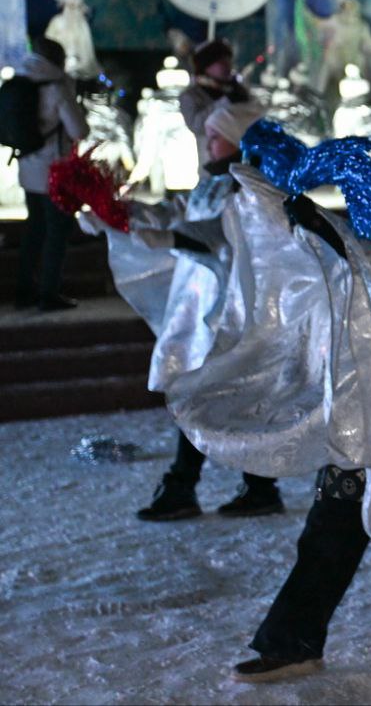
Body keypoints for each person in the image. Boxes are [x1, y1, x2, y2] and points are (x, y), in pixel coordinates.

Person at [147, 121, 371, 683]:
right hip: (354, 430)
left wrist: (320, 224)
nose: (366, 208)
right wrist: (289, 214)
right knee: (328, 535)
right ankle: (291, 641)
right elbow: (341, 272)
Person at [80, 103, 286, 519]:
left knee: (200, 392)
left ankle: (186, 486)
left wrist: (173, 237)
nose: (207, 140)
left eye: (216, 133)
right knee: (214, 394)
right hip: (198, 304)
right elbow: (178, 212)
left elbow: (223, 237)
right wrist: (119, 217)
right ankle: (253, 486)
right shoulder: (212, 180)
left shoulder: (252, 185)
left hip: (227, 306)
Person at [14, 35, 88, 311]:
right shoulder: (56, 86)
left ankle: (24, 290)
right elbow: (79, 131)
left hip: (26, 167)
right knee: (57, 231)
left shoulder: (19, 81)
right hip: (54, 170)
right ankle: (49, 292)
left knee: (34, 229)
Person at [179, 38, 262, 178]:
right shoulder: (191, 95)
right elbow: (197, 125)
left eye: (227, 60)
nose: (226, 65)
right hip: (212, 165)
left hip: (244, 161)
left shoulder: (237, 89)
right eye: (219, 62)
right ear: (206, 66)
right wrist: (226, 101)